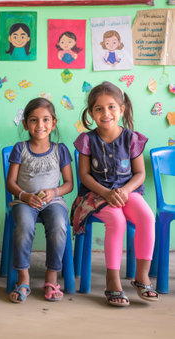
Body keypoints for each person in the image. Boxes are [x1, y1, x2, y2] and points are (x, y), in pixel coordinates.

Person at [71, 81, 159, 307]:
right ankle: (112, 280)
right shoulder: (86, 140)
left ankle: (142, 275)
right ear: (91, 113)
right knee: (117, 221)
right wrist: (107, 193)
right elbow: (85, 176)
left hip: (126, 192)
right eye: (98, 109)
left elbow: (139, 173)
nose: (106, 113)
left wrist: (124, 190)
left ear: (122, 109)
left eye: (111, 107)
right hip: (96, 195)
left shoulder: (132, 138)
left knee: (147, 217)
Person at [6, 98, 73, 303]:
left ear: (53, 123)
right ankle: (23, 278)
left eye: (45, 120)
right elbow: (11, 182)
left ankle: (51, 277)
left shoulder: (60, 150)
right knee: (25, 225)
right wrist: (24, 196)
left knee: (59, 225)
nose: (40, 125)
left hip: (53, 202)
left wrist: (54, 191)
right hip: (25, 202)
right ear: (25, 124)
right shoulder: (20, 148)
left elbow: (69, 184)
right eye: (33, 120)